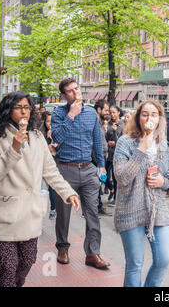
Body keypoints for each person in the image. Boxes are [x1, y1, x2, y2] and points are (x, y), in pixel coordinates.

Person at [0, 92, 80, 286]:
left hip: (30, 213)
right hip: (5, 214)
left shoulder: (37, 136)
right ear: (8, 110)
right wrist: (14, 149)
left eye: (27, 107)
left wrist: (68, 192)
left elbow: (50, 170)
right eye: (18, 107)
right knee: (8, 266)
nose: (24, 111)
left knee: (27, 261)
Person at [113, 100, 169, 287]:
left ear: (159, 119)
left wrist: (163, 181)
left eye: (154, 114)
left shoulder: (162, 144)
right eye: (145, 114)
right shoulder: (125, 142)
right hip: (130, 209)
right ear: (138, 117)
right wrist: (141, 149)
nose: (149, 118)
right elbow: (122, 178)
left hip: (157, 210)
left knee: (164, 259)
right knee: (135, 264)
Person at [51, 78, 110, 270]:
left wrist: (101, 165)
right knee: (64, 214)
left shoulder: (92, 113)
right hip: (65, 169)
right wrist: (71, 115)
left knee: (92, 213)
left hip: (88, 169)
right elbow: (57, 138)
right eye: (70, 91)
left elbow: (97, 141)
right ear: (64, 95)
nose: (75, 93)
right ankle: (62, 247)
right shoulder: (59, 113)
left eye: (76, 88)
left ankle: (93, 253)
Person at [94, 99, 112, 216]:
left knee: (100, 182)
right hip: (96, 158)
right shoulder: (94, 122)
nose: (108, 113)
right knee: (96, 183)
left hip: (102, 157)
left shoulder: (100, 123)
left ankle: (98, 205)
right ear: (99, 110)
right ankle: (94, 208)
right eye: (106, 110)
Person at [41, 111, 59, 220]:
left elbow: (59, 148)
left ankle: (53, 209)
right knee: (42, 188)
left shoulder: (58, 133)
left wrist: (53, 140)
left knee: (52, 187)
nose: (50, 124)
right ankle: (40, 211)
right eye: (48, 121)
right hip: (42, 165)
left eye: (52, 122)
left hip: (54, 164)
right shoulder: (40, 134)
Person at [105, 105, 124, 205]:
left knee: (116, 177)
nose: (112, 114)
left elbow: (123, 141)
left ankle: (116, 197)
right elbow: (105, 138)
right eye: (110, 112)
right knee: (103, 176)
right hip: (108, 153)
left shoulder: (123, 124)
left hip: (118, 154)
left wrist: (115, 131)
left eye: (114, 112)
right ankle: (111, 188)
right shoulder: (108, 124)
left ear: (118, 113)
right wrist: (107, 141)